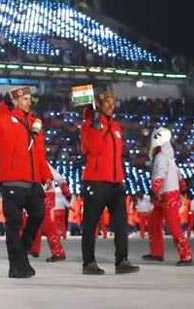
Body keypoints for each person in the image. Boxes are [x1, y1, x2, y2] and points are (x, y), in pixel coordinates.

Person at [0, 84, 52, 278]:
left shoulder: (35, 123)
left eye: (30, 100)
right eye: (25, 99)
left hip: (33, 180)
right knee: (14, 224)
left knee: (38, 215)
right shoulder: (4, 120)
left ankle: (20, 254)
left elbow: (39, 153)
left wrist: (46, 175)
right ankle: (16, 265)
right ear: (16, 101)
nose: (29, 103)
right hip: (12, 181)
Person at [79, 90, 139, 275]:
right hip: (96, 182)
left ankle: (122, 261)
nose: (112, 105)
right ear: (99, 105)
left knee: (121, 224)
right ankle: (88, 263)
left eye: (113, 102)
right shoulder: (89, 126)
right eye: (108, 102)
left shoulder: (116, 127)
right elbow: (94, 150)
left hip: (116, 183)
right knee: (91, 224)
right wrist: (95, 125)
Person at [142, 127, 193, 265]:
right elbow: (179, 175)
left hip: (166, 194)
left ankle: (186, 255)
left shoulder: (161, 157)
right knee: (154, 222)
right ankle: (157, 253)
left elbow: (160, 173)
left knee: (173, 226)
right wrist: (183, 188)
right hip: (168, 194)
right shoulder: (170, 158)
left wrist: (154, 189)